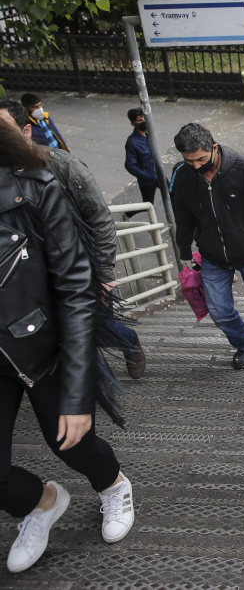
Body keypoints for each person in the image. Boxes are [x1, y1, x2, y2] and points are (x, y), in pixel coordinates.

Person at [0, 119, 134, 573]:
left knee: (72, 444)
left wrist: (78, 394)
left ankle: (113, 485)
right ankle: (42, 503)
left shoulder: (38, 186)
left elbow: (75, 288)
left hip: (39, 346)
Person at [0, 100, 146, 379]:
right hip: (31, 272)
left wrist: (104, 273)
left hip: (78, 266)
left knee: (90, 327)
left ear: (26, 132)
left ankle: (126, 342)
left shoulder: (63, 166)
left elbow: (100, 219)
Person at [170, 123, 244, 370]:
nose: (196, 166)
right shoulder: (182, 175)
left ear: (214, 147)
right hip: (212, 257)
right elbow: (183, 215)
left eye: (201, 159)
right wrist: (185, 251)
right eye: (189, 161)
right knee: (219, 310)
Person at [123, 108, 159, 219]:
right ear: (132, 124)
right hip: (147, 180)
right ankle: (127, 214)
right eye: (139, 121)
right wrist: (145, 175)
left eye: (144, 119)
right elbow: (129, 165)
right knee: (147, 204)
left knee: (172, 193)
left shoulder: (149, 134)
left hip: (158, 173)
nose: (143, 122)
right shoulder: (132, 142)